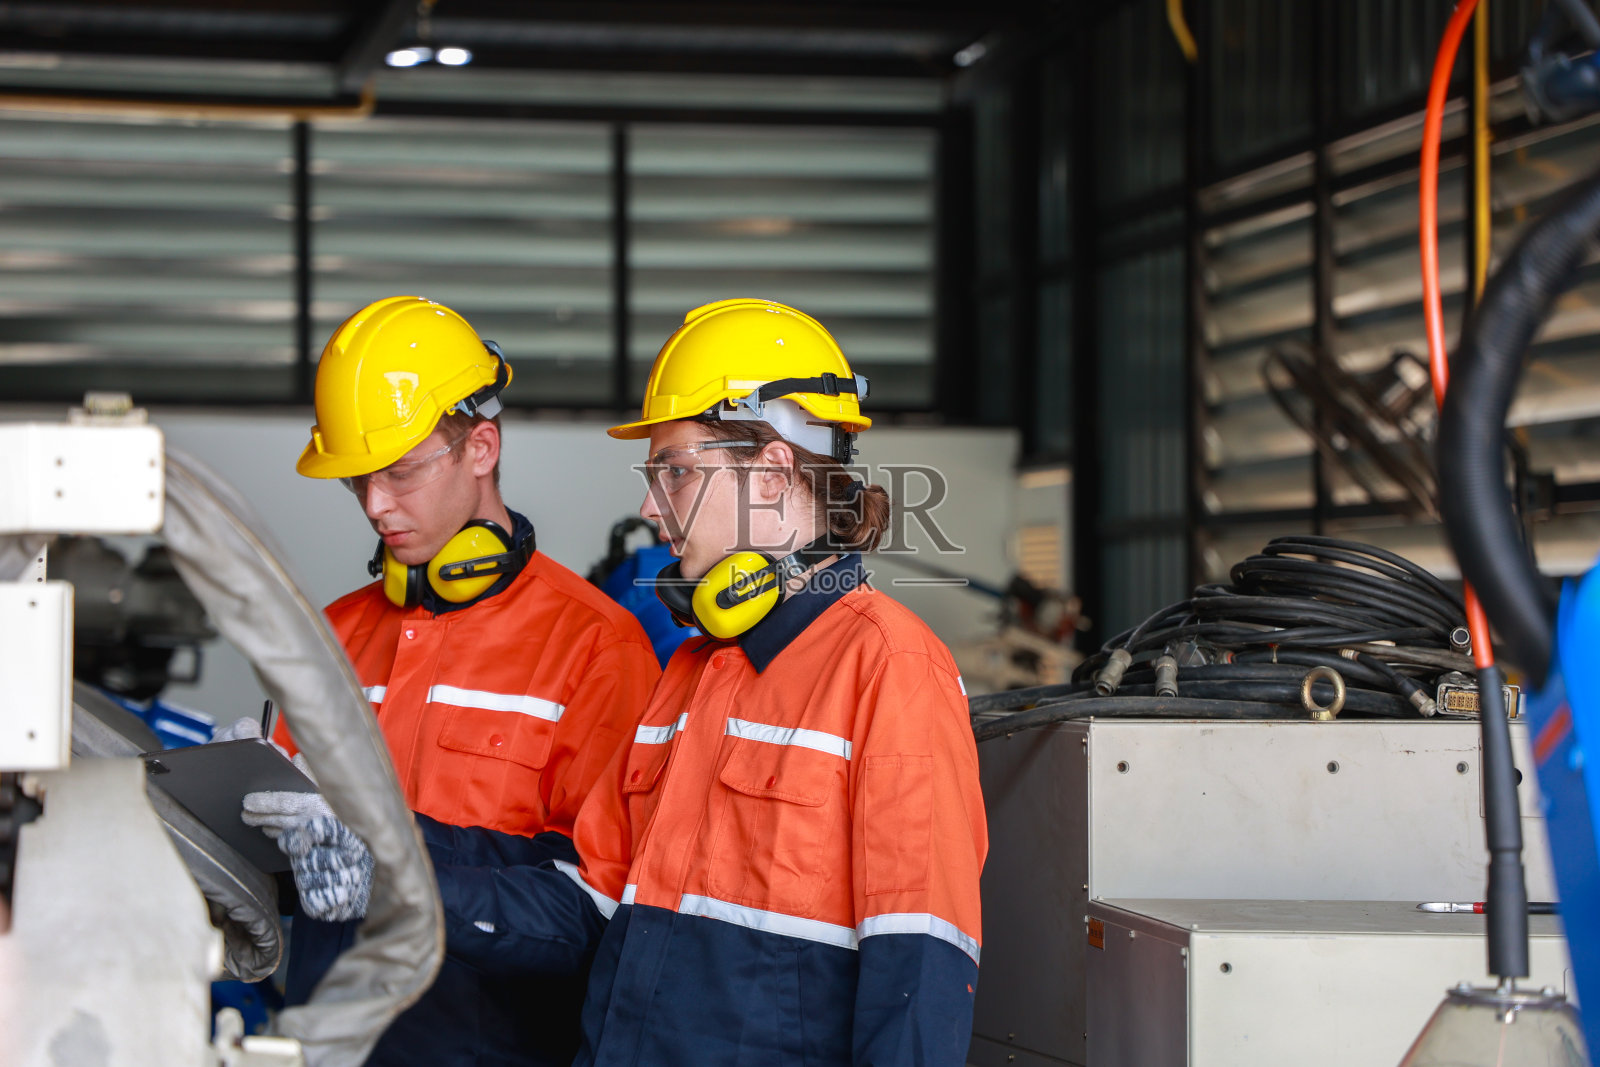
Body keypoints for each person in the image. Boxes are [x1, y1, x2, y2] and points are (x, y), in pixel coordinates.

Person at [411, 298, 989, 1065]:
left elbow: (919, 978)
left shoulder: (889, 666)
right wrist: (392, 857)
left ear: (774, 472)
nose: (650, 507)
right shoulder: (690, 670)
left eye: (676, 472)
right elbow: (589, 898)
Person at [232, 295, 660, 1067]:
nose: (374, 504)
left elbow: (594, 909)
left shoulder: (597, 647)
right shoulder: (328, 636)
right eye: (357, 479)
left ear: (482, 446)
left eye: (399, 470)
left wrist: (396, 869)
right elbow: (282, 877)